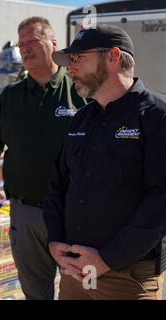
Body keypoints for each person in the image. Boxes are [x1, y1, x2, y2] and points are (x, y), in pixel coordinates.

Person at [44, 24, 166, 300]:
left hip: (127, 278)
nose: (70, 69)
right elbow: (58, 184)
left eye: (78, 59)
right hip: (75, 274)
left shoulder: (156, 116)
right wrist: (55, 242)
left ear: (113, 57)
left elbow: (161, 200)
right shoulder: (82, 119)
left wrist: (107, 258)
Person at [0, 16, 86, 300]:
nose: (25, 49)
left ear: (53, 44)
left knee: (78, 290)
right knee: (35, 292)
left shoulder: (81, 91)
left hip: (74, 214)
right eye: (21, 44)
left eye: (32, 41)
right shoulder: (9, 97)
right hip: (26, 214)